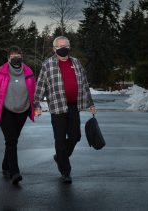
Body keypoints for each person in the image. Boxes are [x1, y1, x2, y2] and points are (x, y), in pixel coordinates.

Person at [34, 36, 96, 184]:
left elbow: (85, 84)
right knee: (60, 139)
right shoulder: (47, 65)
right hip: (57, 107)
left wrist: (91, 103)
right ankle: (65, 171)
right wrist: (36, 105)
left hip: (74, 106)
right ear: (54, 49)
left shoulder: (76, 62)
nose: (63, 48)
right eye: (60, 46)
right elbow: (40, 86)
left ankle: (60, 157)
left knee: (75, 136)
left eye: (65, 45)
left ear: (69, 47)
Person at [0, 46, 36, 185]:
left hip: (22, 110)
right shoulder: (0, 72)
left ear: (22, 56)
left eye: (18, 55)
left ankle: (5, 166)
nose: (16, 58)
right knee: (11, 141)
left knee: (12, 140)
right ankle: (14, 172)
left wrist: (36, 106)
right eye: (12, 56)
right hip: (6, 111)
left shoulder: (28, 71)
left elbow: (33, 90)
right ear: (8, 58)